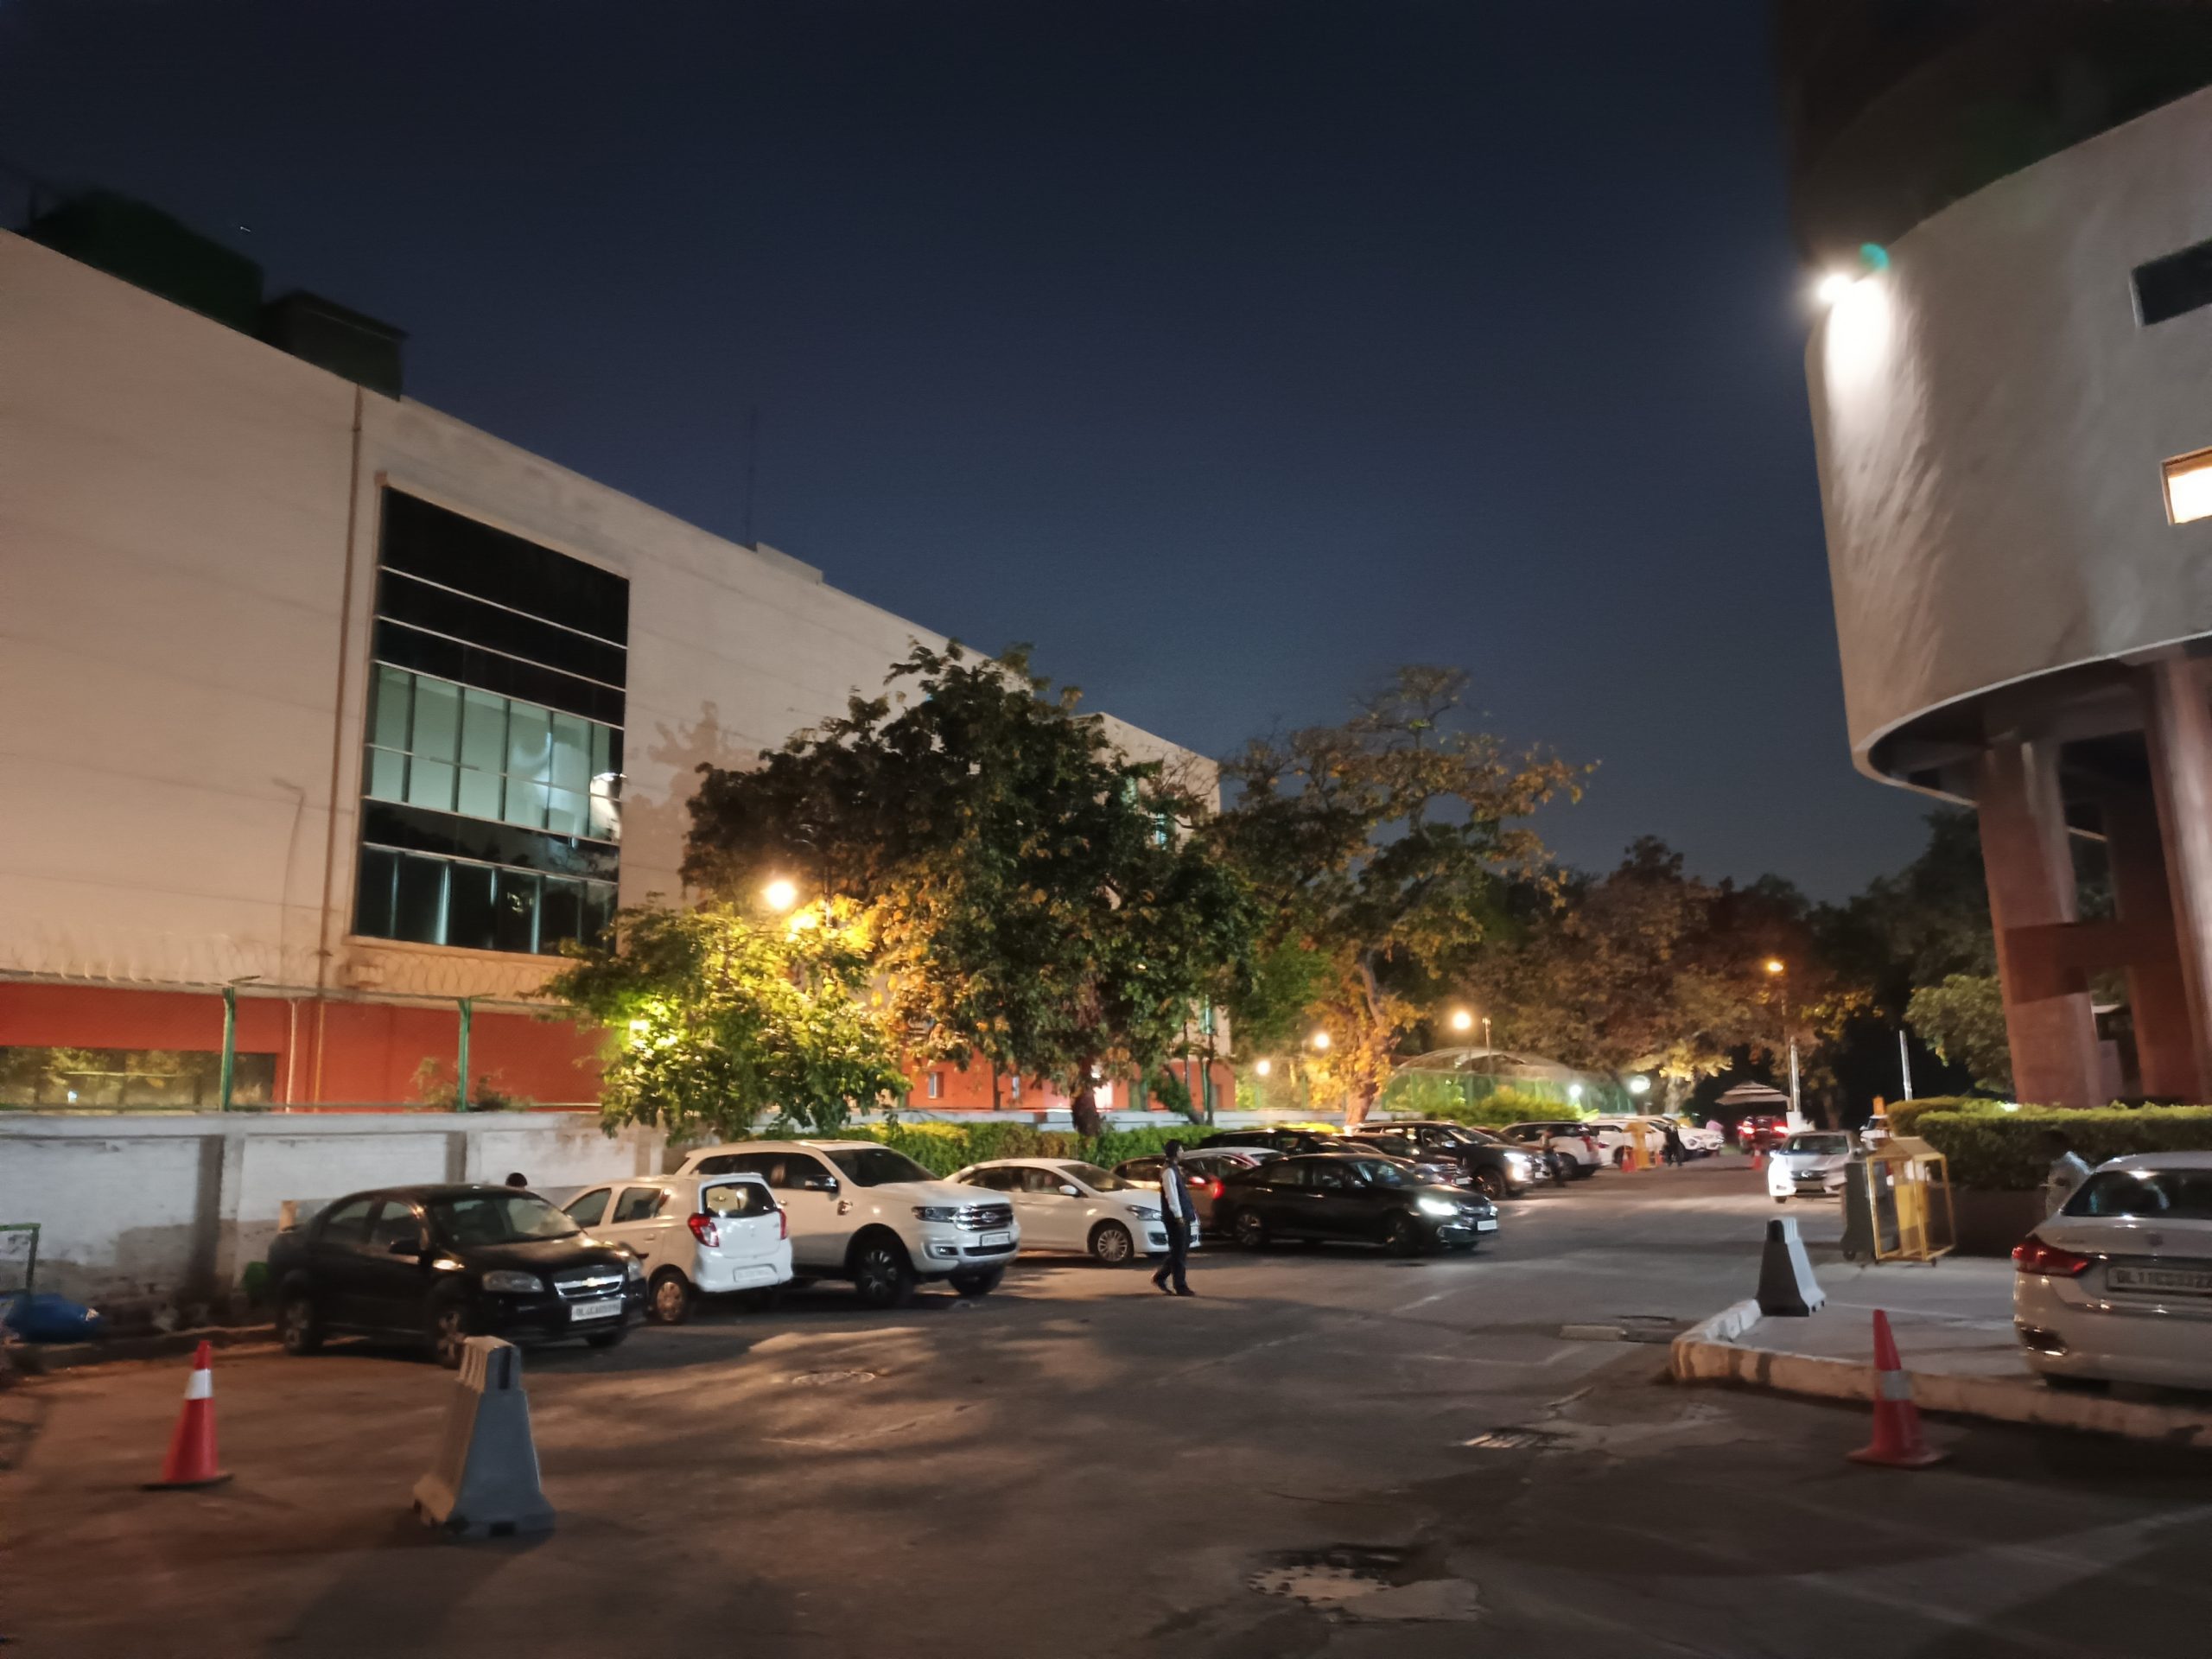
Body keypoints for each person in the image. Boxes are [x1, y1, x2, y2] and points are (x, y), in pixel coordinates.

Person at [1150, 1140, 1196, 1297]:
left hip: (1183, 1215)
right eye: (1181, 1149)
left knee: (1180, 1250)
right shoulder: (1168, 1171)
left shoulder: (1175, 1169)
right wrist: (1178, 1216)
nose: (1183, 1152)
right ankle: (1180, 1286)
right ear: (1175, 1152)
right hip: (1176, 1218)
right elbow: (1172, 1197)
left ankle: (1160, 1276)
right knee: (1179, 1253)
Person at [2042, 1130, 2091, 1215]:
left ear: (2059, 1145)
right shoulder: (2056, 1165)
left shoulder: (2075, 1167)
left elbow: (2084, 1193)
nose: (2044, 1148)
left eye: (2048, 1144)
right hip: (2054, 1218)